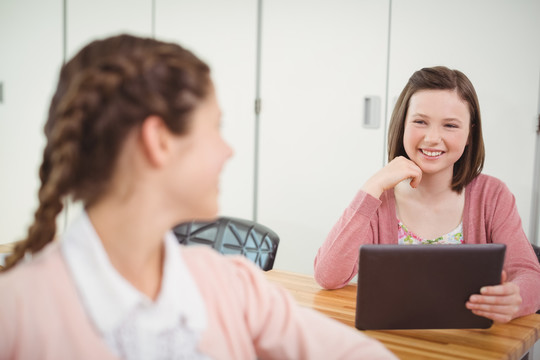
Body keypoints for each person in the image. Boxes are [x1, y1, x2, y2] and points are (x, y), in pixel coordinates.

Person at [0, 34, 396, 359]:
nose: (228, 150)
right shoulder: (15, 315)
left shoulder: (232, 286)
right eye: (215, 127)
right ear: (159, 142)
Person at [314, 66, 540, 323]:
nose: (432, 138)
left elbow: (529, 275)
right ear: (402, 124)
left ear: (470, 134)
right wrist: (372, 187)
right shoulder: (379, 199)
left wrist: (515, 298)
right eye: (420, 122)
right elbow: (327, 276)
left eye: (450, 125)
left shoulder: (493, 195)